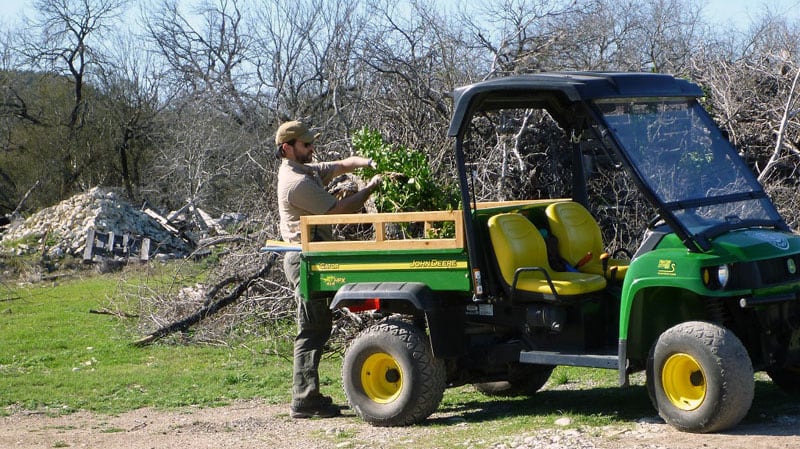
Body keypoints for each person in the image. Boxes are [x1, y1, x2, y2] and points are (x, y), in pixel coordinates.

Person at [275, 120, 381, 419]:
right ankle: (304, 399)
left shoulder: (304, 169)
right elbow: (339, 211)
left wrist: (370, 162)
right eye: (306, 145)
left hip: (316, 258)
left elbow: (342, 164)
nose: (312, 149)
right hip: (305, 260)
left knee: (319, 327)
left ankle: (307, 396)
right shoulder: (296, 183)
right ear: (287, 148)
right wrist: (372, 188)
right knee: (311, 330)